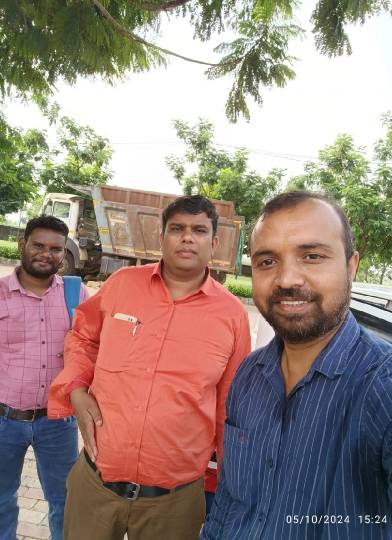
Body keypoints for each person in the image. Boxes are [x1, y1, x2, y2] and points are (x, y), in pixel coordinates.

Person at [201, 191, 392, 539]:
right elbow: (229, 502)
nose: (287, 279)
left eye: (312, 256)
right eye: (268, 262)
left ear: (351, 266)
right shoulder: (248, 376)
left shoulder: (389, 387)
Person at [48, 195, 251, 540]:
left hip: (174, 503)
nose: (187, 238)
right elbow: (83, 337)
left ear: (214, 243)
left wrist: (230, 480)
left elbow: (230, 404)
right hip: (96, 485)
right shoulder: (122, 284)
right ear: (162, 237)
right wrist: (77, 389)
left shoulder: (232, 316)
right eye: (177, 229)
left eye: (199, 230)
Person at [0, 216, 88, 540]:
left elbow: (94, 347)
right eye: (38, 245)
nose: (46, 254)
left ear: (64, 253)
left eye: (55, 249)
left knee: (65, 501)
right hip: (4, 421)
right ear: (22, 244)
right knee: (1, 500)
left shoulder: (76, 294)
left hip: (58, 422)